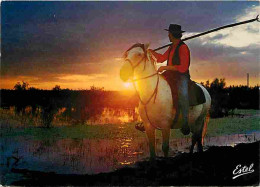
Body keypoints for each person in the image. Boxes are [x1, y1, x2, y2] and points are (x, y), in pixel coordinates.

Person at [149, 24, 191, 135]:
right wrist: (151, 52)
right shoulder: (171, 47)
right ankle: (151, 118)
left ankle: (186, 123)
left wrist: (165, 68)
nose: (168, 35)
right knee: (156, 87)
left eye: (169, 33)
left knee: (183, 94)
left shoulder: (183, 47)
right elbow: (162, 58)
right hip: (170, 74)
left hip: (181, 76)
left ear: (173, 35)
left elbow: (183, 67)